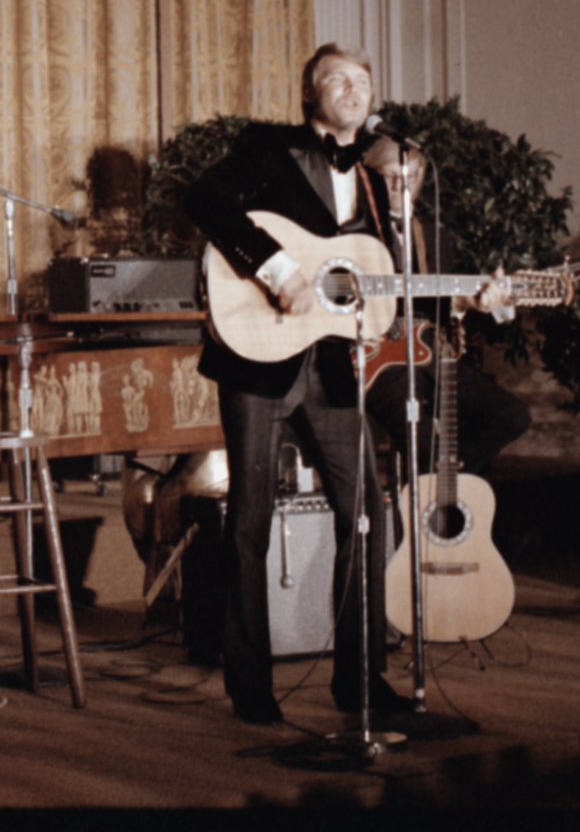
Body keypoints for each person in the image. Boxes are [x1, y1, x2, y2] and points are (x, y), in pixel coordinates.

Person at [188, 43, 487, 727]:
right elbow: (202, 198)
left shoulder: (386, 182)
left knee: (368, 515)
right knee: (250, 524)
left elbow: (385, 277)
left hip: (331, 371)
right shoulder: (268, 150)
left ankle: (359, 679)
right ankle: (250, 685)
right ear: (309, 94)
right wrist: (273, 268)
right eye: (335, 79)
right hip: (258, 359)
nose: (351, 88)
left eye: (362, 80)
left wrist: (466, 298)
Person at [361, 135, 532, 480]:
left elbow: (444, 304)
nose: (400, 185)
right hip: (377, 360)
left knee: (512, 415)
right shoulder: (355, 231)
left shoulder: (435, 235)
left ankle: (446, 477)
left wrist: (468, 303)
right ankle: (418, 502)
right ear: (371, 176)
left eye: (409, 177)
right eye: (390, 175)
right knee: (421, 438)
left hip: (428, 353)